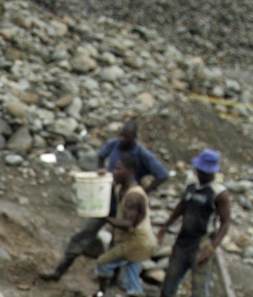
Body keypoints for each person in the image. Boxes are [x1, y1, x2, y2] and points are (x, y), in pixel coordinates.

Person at [39, 119, 170, 282]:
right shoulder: (114, 144)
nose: (122, 139)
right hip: (105, 200)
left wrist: (143, 191)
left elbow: (162, 175)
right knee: (84, 233)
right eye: (121, 135)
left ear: (134, 137)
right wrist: (101, 169)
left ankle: (110, 282)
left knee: (118, 243)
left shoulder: (142, 155)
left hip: (125, 205)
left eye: (126, 137)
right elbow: (101, 156)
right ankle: (60, 270)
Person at [150, 148, 231, 297]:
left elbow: (225, 222)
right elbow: (182, 206)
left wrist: (211, 248)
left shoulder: (219, 193)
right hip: (183, 239)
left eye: (204, 172)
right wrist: (165, 226)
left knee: (200, 283)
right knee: (172, 274)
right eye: (199, 171)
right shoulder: (192, 185)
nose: (200, 174)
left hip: (201, 243)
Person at [94, 157, 156, 297]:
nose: (115, 172)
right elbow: (106, 186)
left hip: (136, 242)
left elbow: (129, 224)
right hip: (138, 241)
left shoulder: (134, 196)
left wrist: (106, 218)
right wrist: (102, 176)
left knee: (103, 263)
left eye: (119, 169)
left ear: (130, 172)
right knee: (131, 279)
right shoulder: (123, 187)